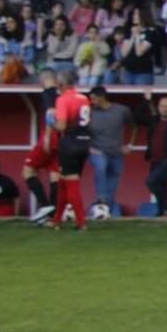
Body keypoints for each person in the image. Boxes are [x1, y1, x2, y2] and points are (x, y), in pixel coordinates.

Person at [48, 70, 94, 231]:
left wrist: (50, 120)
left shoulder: (62, 99)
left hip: (69, 143)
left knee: (71, 183)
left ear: (61, 84)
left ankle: (81, 223)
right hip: (84, 143)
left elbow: (61, 125)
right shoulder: (84, 98)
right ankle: (56, 221)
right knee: (64, 183)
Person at [85, 85, 132, 213]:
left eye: (93, 99)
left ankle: (105, 210)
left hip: (116, 153)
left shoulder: (122, 111)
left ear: (102, 98)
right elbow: (81, 131)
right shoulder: (89, 112)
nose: (91, 101)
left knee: (114, 181)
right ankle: (101, 199)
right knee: (101, 165)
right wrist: (88, 147)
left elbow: (134, 126)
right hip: (97, 150)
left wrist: (129, 144)